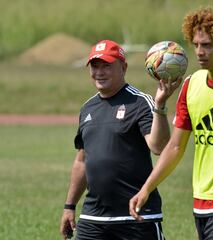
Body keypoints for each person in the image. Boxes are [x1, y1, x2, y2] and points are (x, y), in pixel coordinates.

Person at [129, 6, 213, 239]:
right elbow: (175, 147)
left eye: (207, 45)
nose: (199, 52)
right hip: (202, 202)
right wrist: (147, 188)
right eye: (196, 45)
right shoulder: (191, 85)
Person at [59, 39, 180, 240]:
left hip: (137, 216)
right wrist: (69, 206)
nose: (99, 72)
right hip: (93, 217)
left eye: (106, 66)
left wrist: (160, 105)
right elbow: (82, 161)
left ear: (123, 67)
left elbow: (158, 147)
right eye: (95, 66)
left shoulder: (140, 102)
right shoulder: (87, 109)